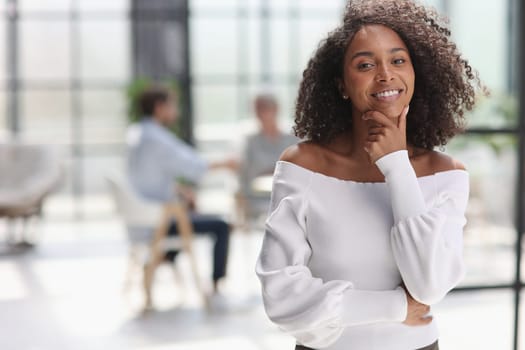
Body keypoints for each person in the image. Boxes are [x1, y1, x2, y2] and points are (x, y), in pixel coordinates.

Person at [256, 1, 484, 349]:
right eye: (365, 64)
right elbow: (281, 297)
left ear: (415, 74)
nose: (385, 74)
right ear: (342, 84)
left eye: (397, 60)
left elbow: (429, 285)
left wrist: (395, 164)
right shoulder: (303, 166)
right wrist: (396, 307)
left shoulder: (446, 174)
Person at [126, 86, 235, 306]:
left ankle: (161, 258)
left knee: (188, 212)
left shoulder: (138, 133)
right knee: (222, 225)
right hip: (158, 220)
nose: (176, 111)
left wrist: (179, 189)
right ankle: (215, 287)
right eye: (172, 105)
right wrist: (226, 163)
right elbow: (193, 165)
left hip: (143, 214)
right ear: (159, 108)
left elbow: (149, 175)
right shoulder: (156, 139)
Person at [237, 93, 297, 226]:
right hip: (258, 199)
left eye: (265, 108)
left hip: (288, 197)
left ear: (276, 110)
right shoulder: (250, 142)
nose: (261, 114)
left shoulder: (292, 138)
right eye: (258, 110)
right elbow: (246, 175)